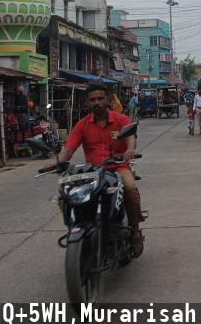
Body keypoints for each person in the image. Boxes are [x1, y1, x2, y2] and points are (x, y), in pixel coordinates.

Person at [41, 83, 146, 257]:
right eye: (92, 100)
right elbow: (68, 150)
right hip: (93, 172)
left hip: (118, 167)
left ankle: (134, 230)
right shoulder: (82, 125)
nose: (96, 102)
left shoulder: (121, 120)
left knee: (130, 188)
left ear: (108, 99)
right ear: (88, 103)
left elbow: (130, 139)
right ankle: (78, 226)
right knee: (65, 196)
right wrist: (56, 162)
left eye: (100, 98)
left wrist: (130, 150)